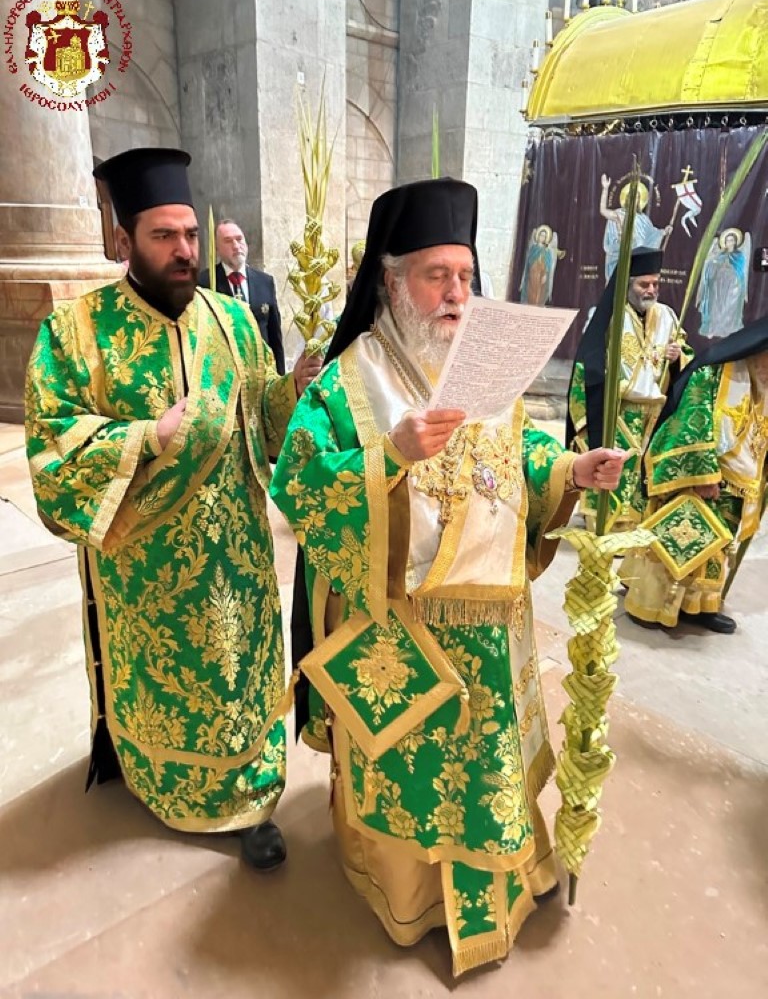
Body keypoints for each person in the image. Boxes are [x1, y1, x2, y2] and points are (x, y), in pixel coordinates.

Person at [269, 177, 628, 975]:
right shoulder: (349, 379)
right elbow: (298, 483)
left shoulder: (487, 367)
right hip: (406, 629)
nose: (457, 294)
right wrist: (388, 456)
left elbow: (523, 455)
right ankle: (409, 898)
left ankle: (498, 889)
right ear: (392, 281)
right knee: (419, 779)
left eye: (465, 276)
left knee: (488, 768)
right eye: (437, 276)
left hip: (495, 623)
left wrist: (572, 469)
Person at [24, 148, 321, 869]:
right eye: (164, 236)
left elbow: (264, 418)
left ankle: (251, 800)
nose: (185, 250)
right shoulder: (77, 332)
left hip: (238, 562)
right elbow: (51, 441)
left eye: (190, 234)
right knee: (162, 687)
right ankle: (149, 773)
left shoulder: (234, 320)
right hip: (147, 574)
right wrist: (147, 437)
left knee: (238, 682)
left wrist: (293, 389)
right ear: (124, 240)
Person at [622, 316, 768, 634]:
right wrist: (702, 474)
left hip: (740, 484)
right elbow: (691, 417)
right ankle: (648, 604)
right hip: (703, 477)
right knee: (677, 539)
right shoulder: (714, 372)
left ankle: (699, 607)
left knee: (716, 549)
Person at [566, 247, 691, 532]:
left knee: (640, 479)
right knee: (613, 472)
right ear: (627, 284)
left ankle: (633, 529)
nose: (651, 290)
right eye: (643, 284)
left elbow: (685, 352)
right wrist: (588, 417)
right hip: (618, 413)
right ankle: (604, 528)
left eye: (655, 284)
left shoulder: (668, 316)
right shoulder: (610, 318)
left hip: (654, 413)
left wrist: (678, 356)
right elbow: (586, 366)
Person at [199, 218, 286, 374]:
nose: (236, 245)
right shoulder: (204, 283)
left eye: (239, 239)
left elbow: (275, 336)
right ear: (217, 248)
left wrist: (281, 378)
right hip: (224, 373)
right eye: (228, 241)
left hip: (261, 372)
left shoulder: (265, 281)